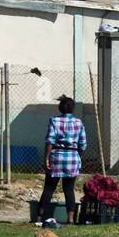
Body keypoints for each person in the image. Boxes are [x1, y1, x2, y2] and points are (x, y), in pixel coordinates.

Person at [38, 95, 87, 226]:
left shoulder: (54, 121)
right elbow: (82, 144)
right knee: (69, 189)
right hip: (72, 157)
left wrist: (46, 158)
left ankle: (39, 217)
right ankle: (70, 219)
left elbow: (49, 141)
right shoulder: (79, 123)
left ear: (60, 108)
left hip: (57, 157)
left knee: (49, 188)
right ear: (73, 109)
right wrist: (77, 156)